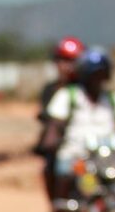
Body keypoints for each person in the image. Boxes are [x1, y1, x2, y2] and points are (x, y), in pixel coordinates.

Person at [35, 48, 115, 212]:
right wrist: (49, 142)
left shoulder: (113, 99)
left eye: (101, 75)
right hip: (76, 155)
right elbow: (54, 124)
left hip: (109, 156)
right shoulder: (68, 96)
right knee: (63, 173)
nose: (97, 79)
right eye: (94, 75)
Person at [35, 37, 84, 202]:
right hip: (64, 148)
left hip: (89, 147)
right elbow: (47, 119)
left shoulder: (89, 89)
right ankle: (59, 210)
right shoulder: (51, 90)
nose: (67, 66)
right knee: (51, 169)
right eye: (63, 60)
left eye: (72, 61)